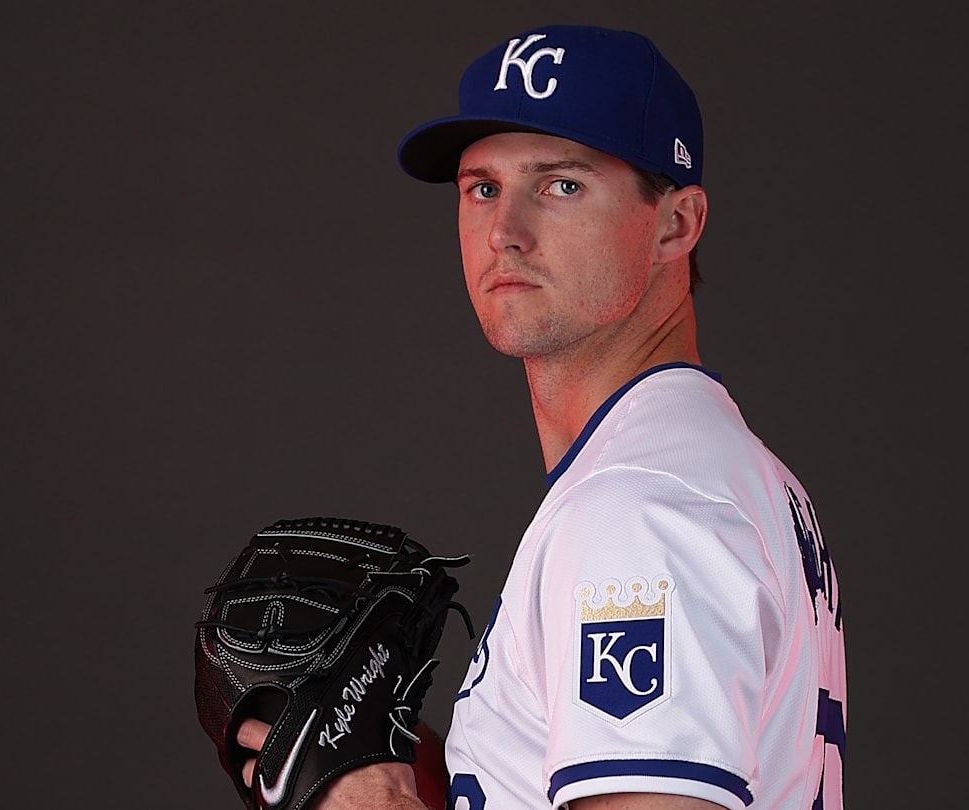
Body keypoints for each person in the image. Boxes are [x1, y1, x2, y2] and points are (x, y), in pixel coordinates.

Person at [242, 23, 846, 810]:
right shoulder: (716, 469)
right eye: (483, 187)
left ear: (677, 224)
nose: (505, 232)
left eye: (561, 185)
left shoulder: (639, 513)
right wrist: (398, 768)